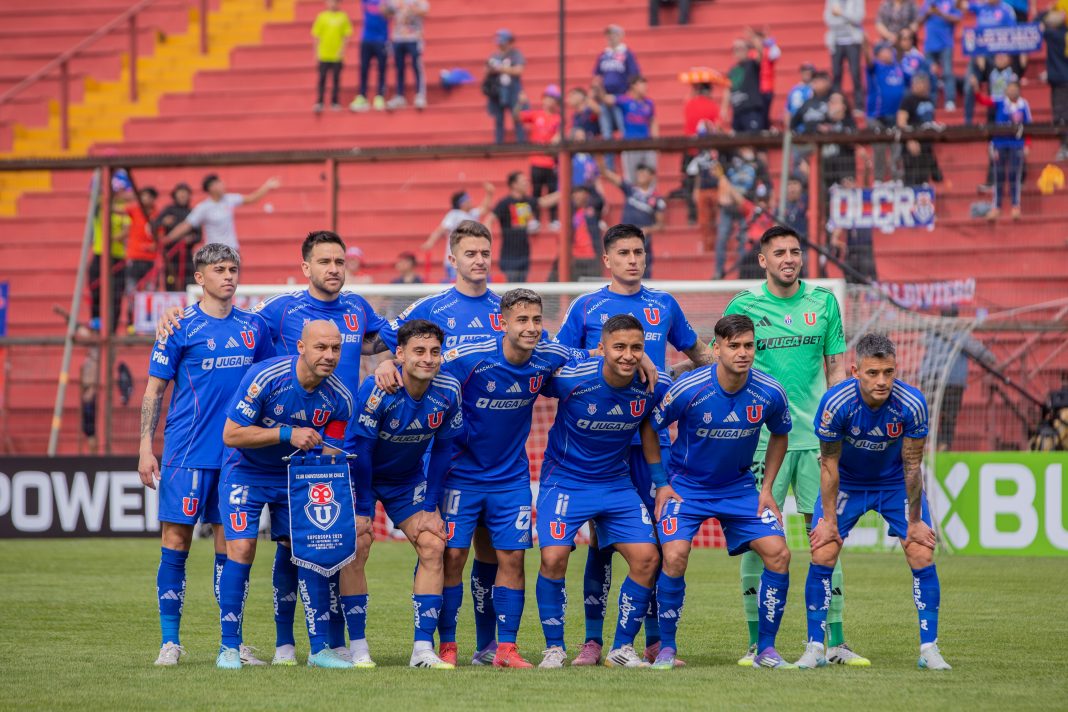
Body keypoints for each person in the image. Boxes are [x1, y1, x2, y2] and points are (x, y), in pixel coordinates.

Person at [157, 230, 390, 665]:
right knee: (221, 545)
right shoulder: (273, 319)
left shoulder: (355, 322)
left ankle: (314, 646)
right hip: (235, 455)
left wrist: (391, 357)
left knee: (309, 546)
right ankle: (221, 644)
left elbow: (391, 338)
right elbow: (225, 324)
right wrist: (177, 315)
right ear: (306, 268)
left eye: (340, 261)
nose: (334, 269)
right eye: (325, 261)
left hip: (301, 464)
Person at [554, 223, 714, 666]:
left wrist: (718, 380)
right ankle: (592, 641)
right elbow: (559, 358)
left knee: (661, 542)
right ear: (606, 259)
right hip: (601, 443)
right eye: (623, 252)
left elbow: (698, 352)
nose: (632, 259)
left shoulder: (664, 304)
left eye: (638, 252)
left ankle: (655, 640)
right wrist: (625, 355)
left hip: (653, 440)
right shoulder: (587, 306)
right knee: (602, 545)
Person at [719, 225, 855, 667]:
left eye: (795, 251)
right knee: (759, 539)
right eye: (779, 252)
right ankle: (758, 643)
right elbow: (722, 358)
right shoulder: (745, 305)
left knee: (826, 537)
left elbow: (836, 371)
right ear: (763, 260)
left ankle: (833, 641)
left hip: (817, 444)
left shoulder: (823, 303)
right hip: (760, 444)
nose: (789, 258)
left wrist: (836, 434)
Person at [138, 243, 275, 667]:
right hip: (186, 453)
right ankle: (169, 642)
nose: (229, 276)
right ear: (200, 277)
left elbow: (271, 382)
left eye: (234, 268)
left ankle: (231, 644)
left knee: (233, 548)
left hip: (237, 457)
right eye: (219, 269)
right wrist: (145, 447)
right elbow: (154, 391)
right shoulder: (179, 326)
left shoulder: (254, 328)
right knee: (175, 543)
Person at [435, 289, 585, 669]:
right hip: (460, 475)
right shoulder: (470, 356)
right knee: (452, 556)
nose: (531, 328)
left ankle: (505, 649)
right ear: (502, 322)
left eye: (537, 320)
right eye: (522, 320)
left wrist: (645, 366)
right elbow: (424, 370)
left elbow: (592, 360)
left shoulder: (550, 356)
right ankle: (447, 646)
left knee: (513, 558)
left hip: (511, 478)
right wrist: (389, 366)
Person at [642, 314, 794, 669]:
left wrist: (767, 487)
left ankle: (767, 650)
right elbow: (651, 428)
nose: (743, 353)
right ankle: (666, 648)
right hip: (686, 488)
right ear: (717, 348)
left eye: (749, 346)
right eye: (735, 346)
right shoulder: (689, 388)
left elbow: (780, 434)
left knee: (779, 554)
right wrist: (661, 483)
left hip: (740, 488)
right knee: (675, 556)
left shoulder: (769, 391)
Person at [801, 333, 952, 671]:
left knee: (921, 550)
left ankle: (930, 648)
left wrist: (914, 522)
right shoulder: (836, 403)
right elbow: (828, 464)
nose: (882, 381)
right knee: (823, 550)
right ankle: (815, 646)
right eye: (873, 373)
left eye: (888, 372)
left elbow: (913, 465)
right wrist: (828, 520)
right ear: (856, 370)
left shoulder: (911, 404)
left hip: (893, 483)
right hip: (848, 482)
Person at [216, 320, 356, 669]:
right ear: (301, 348)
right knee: (242, 548)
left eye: (335, 348)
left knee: (305, 551)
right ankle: (229, 647)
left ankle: (309, 650)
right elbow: (231, 434)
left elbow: (331, 451)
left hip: (294, 475)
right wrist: (286, 434)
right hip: (244, 471)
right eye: (321, 347)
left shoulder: (340, 398)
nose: (329, 355)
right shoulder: (266, 378)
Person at [535, 315, 670, 669]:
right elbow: (532, 365)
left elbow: (652, 429)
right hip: (565, 481)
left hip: (615, 484)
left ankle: (621, 649)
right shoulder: (571, 378)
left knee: (647, 558)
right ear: (602, 348)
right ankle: (554, 648)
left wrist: (663, 482)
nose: (628, 356)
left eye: (636, 348)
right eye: (620, 347)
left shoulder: (652, 384)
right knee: (552, 559)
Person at [341, 319, 462, 669]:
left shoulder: (449, 390)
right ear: (400, 354)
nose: (427, 359)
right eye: (419, 351)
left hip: (406, 479)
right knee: (358, 545)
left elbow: (443, 450)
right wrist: (363, 509)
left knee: (433, 544)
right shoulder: (378, 388)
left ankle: (423, 650)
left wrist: (430, 507)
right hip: (358, 475)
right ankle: (359, 648)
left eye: (434, 352)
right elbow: (361, 451)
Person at [165, 173, 281, 252]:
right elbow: (186, 225)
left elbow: (252, 198)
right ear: (211, 187)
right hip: (215, 253)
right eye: (219, 183)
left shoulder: (229, 199)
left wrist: (267, 186)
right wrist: (167, 239)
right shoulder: (204, 207)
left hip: (232, 250)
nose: (223, 184)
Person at [977, 78, 1031, 220]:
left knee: (1015, 175)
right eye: (1010, 88)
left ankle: (1015, 206)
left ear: (1019, 90)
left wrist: (1027, 145)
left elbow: (1030, 127)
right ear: (1006, 90)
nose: (1012, 90)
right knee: (998, 176)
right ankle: (996, 207)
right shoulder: (1000, 102)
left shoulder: (1023, 104)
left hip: (1016, 145)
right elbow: (984, 101)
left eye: (1015, 88)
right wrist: (976, 91)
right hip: (999, 144)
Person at [601, 163, 665, 278]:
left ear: (652, 176)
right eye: (639, 172)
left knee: (642, 274)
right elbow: (606, 173)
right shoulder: (630, 190)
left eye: (644, 172)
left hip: (642, 242)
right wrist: (599, 157)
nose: (641, 175)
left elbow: (660, 225)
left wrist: (648, 230)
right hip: (623, 240)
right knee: (621, 272)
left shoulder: (657, 198)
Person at [421, 183, 495, 281]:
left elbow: (484, 209)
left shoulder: (472, 214)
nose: (471, 201)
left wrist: (489, 194)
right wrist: (430, 242)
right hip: (455, 259)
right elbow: (441, 229)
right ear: (462, 203)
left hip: (469, 257)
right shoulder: (454, 214)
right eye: (468, 200)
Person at [961, 0, 1017, 126]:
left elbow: (1013, 35)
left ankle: (995, 123)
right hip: (979, 55)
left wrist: (1004, 57)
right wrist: (977, 53)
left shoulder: (1006, 10)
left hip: (998, 57)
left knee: (997, 87)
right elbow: (961, 6)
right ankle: (967, 122)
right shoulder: (981, 7)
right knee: (970, 83)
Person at [520, 85, 562, 228]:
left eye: (554, 99)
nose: (550, 101)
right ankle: (534, 219)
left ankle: (553, 219)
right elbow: (517, 117)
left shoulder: (559, 119)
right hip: (536, 161)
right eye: (548, 97)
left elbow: (561, 135)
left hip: (551, 162)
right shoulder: (536, 114)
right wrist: (520, 103)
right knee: (535, 191)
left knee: (552, 190)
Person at [866, 41, 907, 182]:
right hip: (877, 115)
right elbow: (867, 58)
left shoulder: (898, 67)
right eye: (886, 50)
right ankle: (878, 179)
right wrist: (865, 43)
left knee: (897, 149)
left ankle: (897, 179)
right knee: (879, 149)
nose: (890, 53)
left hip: (896, 116)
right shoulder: (875, 67)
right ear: (878, 54)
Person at [592, 25, 642, 141]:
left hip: (621, 96)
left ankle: (626, 157)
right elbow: (597, 76)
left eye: (613, 34)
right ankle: (608, 159)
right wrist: (601, 94)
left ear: (620, 36)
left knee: (623, 128)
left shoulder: (626, 54)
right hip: (604, 97)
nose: (610, 37)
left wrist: (628, 96)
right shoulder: (604, 55)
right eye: (608, 35)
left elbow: (634, 75)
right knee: (606, 131)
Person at [89, 191, 128, 332]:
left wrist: (113, 238)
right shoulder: (100, 207)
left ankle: (112, 330)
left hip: (118, 258)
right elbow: (96, 199)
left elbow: (127, 229)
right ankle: (96, 325)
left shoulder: (123, 209)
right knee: (96, 291)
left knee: (116, 296)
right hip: (100, 254)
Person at [897, 72, 945, 186]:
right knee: (912, 180)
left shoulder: (929, 100)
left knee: (925, 180)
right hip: (913, 146)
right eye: (919, 82)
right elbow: (901, 121)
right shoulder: (908, 100)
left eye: (924, 83)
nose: (922, 85)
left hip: (926, 146)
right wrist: (909, 140)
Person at [153, 182, 199, 290]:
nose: (183, 196)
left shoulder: (192, 212)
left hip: (186, 255)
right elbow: (153, 226)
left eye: (185, 194)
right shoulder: (168, 210)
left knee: (188, 282)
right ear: (175, 195)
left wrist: (191, 239)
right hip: (170, 254)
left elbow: (199, 235)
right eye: (180, 193)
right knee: (170, 281)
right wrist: (163, 222)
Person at [493, 171, 537, 282]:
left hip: (524, 252)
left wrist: (564, 191)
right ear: (514, 184)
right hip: (509, 255)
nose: (526, 183)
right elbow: (489, 219)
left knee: (522, 286)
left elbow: (543, 202)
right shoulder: (504, 203)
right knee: (513, 287)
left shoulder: (528, 201)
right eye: (523, 181)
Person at [615, 76, 659, 183]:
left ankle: (651, 198)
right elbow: (607, 100)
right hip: (631, 144)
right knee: (631, 177)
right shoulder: (624, 101)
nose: (645, 88)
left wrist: (656, 143)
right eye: (642, 84)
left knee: (651, 173)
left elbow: (653, 122)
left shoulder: (649, 103)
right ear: (633, 86)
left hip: (647, 143)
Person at [485, 29, 526, 144]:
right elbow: (486, 70)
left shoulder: (516, 54)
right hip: (498, 90)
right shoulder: (494, 56)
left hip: (513, 89)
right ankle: (499, 142)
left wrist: (501, 69)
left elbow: (519, 70)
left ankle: (521, 141)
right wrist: (491, 70)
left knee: (517, 116)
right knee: (498, 118)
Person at [387, 0, 429, 110]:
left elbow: (425, 11)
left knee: (416, 65)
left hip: (414, 36)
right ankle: (400, 95)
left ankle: (420, 94)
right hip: (398, 36)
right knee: (399, 67)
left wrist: (411, 9)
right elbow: (387, 12)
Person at [825, 0, 866, 111]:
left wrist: (841, 14)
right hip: (836, 41)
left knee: (855, 73)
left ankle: (859, 105)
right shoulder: (832, 1)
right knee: (837, 74)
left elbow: (859, 18)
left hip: (852, 41)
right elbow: (828, 20)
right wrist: (847, 19)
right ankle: (836, 104)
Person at [312, 0, 352, 113]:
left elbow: (346, 35)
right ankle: (320, 101)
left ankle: (335, 101)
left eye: (335, 2)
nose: (333, 4)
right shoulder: (321, 17)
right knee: (322, 79)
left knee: (336, 79)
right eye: (331, 2)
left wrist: (342, 50)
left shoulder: (343, 17)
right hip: (324, 54)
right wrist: (316, 52)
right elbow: (316, 35)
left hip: (336, 55)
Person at [921, 0, 962, 110]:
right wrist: (927, 13)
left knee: (947, 73)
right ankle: (930, 101)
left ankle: (950, 100)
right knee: (930, 74)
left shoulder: (952, 2)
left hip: (946, 44)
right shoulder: (928, 2)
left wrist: (941, 13)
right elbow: (918, 21)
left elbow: (958, 18)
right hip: (929, 44)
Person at [125, 186, 160, 311]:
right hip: (134, 257)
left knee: (150, 290)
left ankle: (149, 319)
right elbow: (117, 209)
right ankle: (131, 321)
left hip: (150, 259)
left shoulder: (157, 215)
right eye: (143, 196)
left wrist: (154, 245)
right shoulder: (135, 210)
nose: (145, 199)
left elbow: (160, 237)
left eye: (148, 196)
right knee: (131, 290)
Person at [350, 0, 389, 112]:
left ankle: (380, 96)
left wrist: (385, 10)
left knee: (382, 69)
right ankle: (362, 96)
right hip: (366, 38)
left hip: (381, 39)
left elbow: (391, 13)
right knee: (364, 68)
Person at [1042, 7, 1068, 160]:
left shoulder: (1053, 34)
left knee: (1061, 115)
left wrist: (1049, 10)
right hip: (1060, 80)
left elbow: (1037, 22)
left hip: (1060, 81)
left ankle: (1065, 146)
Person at [727, 39, 766, 132]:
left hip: (751, 110)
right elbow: (728, 89)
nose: (739, 52)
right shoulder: (732, 70)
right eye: (736, 49)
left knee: (752, 141)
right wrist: (724, 108)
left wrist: (754, 40)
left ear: (747, 50)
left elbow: (760, 54)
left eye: (741, 49)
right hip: (737, 112)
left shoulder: (752, 64)